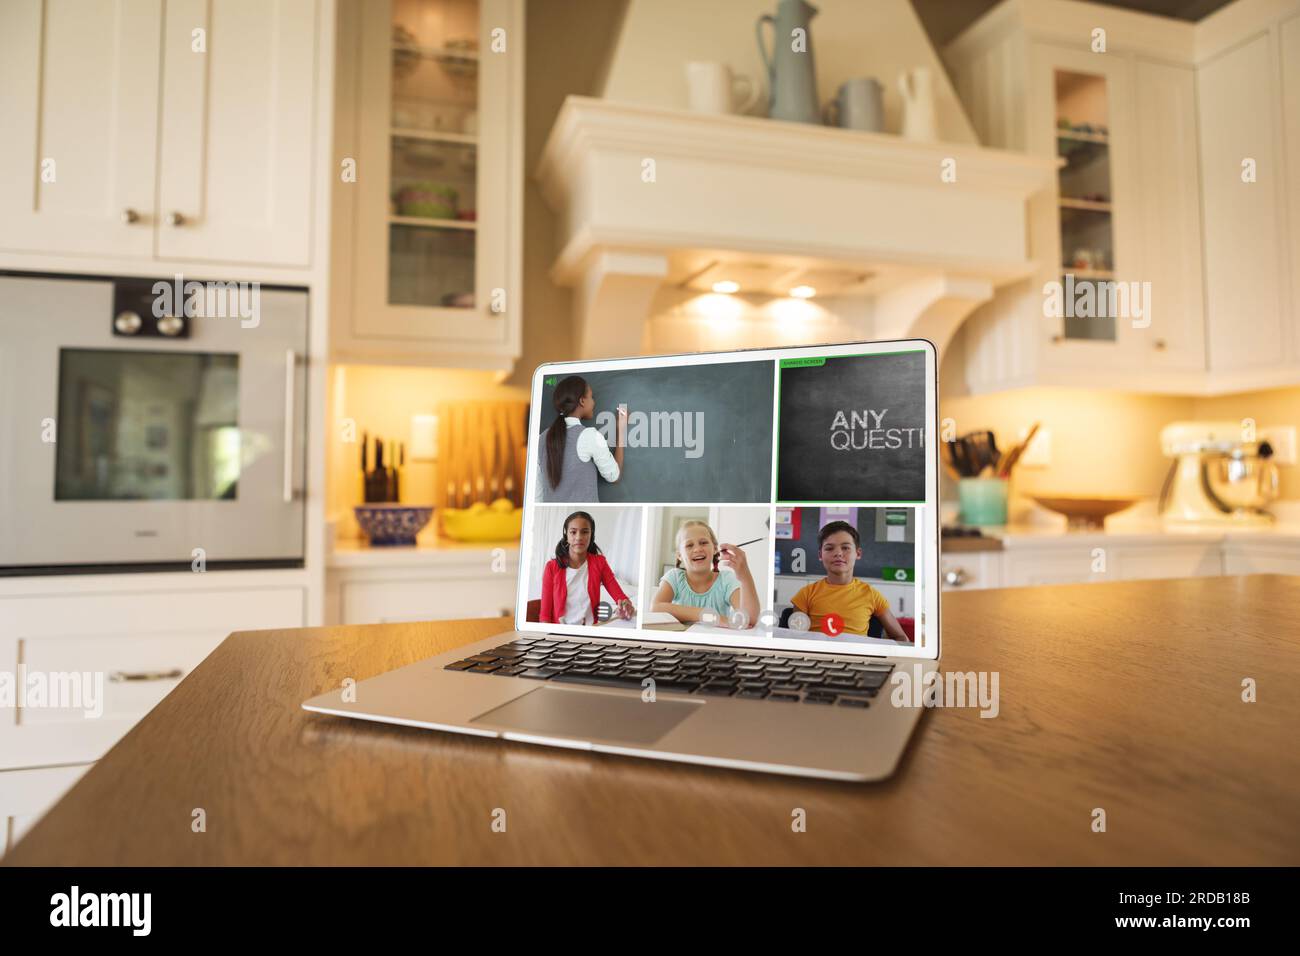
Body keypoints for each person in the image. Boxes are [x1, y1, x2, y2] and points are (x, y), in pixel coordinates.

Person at [790, 521, 909, 641]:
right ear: (820, 555)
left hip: (856, 657)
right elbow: (794, 639)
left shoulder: (872, 595)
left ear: (858, 553)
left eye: (845, 548)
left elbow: (900, 637)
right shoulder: (806, 594)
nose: (838, 553)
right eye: (829, 548)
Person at [652, 520, 760, 628]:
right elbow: (656, 608)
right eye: (689, 545)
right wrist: (707, 615)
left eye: (703, 543)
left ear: (715, 549)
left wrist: (745, 576)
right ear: (679, 555)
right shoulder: (674, 577)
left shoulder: (726, 580)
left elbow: (748, 620)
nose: (698, 549)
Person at [537, 376, 627, 502]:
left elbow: (538, 495)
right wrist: (621, 430)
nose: (594, 402)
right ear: (582, 401)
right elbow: (614, 476)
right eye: (591, 397)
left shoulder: (541, 438)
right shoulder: (589, 436)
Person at [539, 511, 634, 625]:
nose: (578, 537)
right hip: (560, 632)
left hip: (589, 631)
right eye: (573, 532)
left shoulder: (600, 563)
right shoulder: (552, 567)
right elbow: (545, 616)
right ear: (566, 536)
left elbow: (620, 597)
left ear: (591, 535)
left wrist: (625, 606)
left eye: (584, 532)